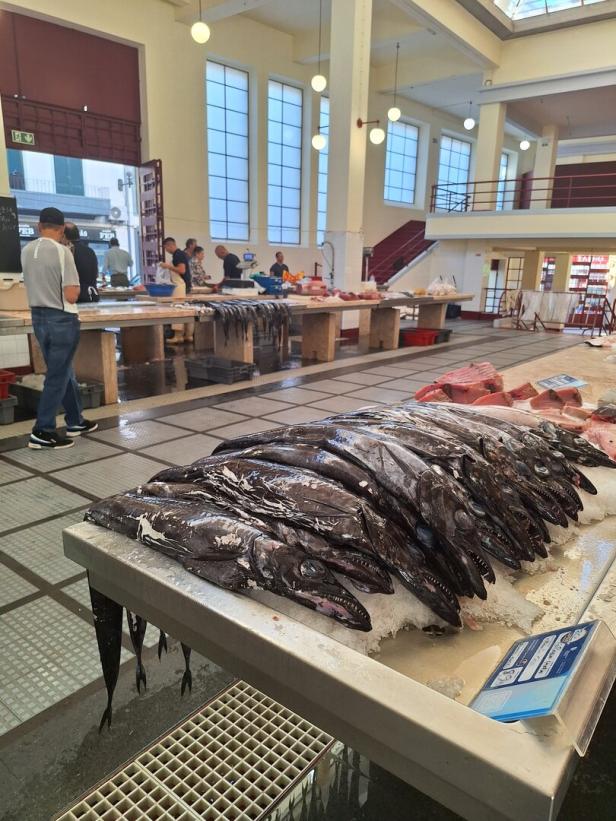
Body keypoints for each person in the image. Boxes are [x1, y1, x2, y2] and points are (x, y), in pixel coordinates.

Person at [21, 207, 98, 449]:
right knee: (57, 375)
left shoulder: (26, 250)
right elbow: (72, 294)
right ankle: (42, 431)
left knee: (63, 371)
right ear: (62, 228)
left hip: (39, 318)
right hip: (62, 319)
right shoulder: (63, 251)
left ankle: (75, 420)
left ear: (38, 225)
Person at [161, 237, 194, 344]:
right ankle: (188, 335)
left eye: (165, 248)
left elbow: (181, 270)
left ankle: (178, 336)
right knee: (188, 311)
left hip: (181, 287)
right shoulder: (180, 254)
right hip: (185, 286)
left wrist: (168, 266)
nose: (166, 250)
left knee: (178, 310)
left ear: (170, 245)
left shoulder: (178, 254)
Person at [64, 223, 100, 303]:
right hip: (92, 295)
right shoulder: (90, 251)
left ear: (64, 236)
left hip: (76, 298)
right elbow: (96, 274)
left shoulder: (67, 251)